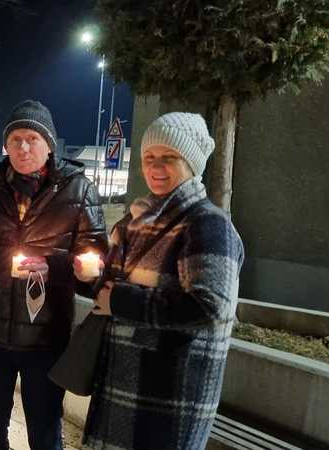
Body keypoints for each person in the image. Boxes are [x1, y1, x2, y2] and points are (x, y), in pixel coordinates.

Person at [80, 112, 244, 450]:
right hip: (123, 381)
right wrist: (91, 277)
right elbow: (110, 289)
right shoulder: (136, 221)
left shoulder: (207, 224)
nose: (156, 167)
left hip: (169, 394)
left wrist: (120, 300)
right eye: (149, 157)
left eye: (169, 158)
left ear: (191, 164)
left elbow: (210, 307)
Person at [0, 99, 107, 450]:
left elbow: (97, 266)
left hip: (46, 337)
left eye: (32, 138)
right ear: (5, 146)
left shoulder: (79, 190)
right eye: (15, 139)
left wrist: (55, 266)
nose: (23, 147)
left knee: (44, 435)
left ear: (49, 144)